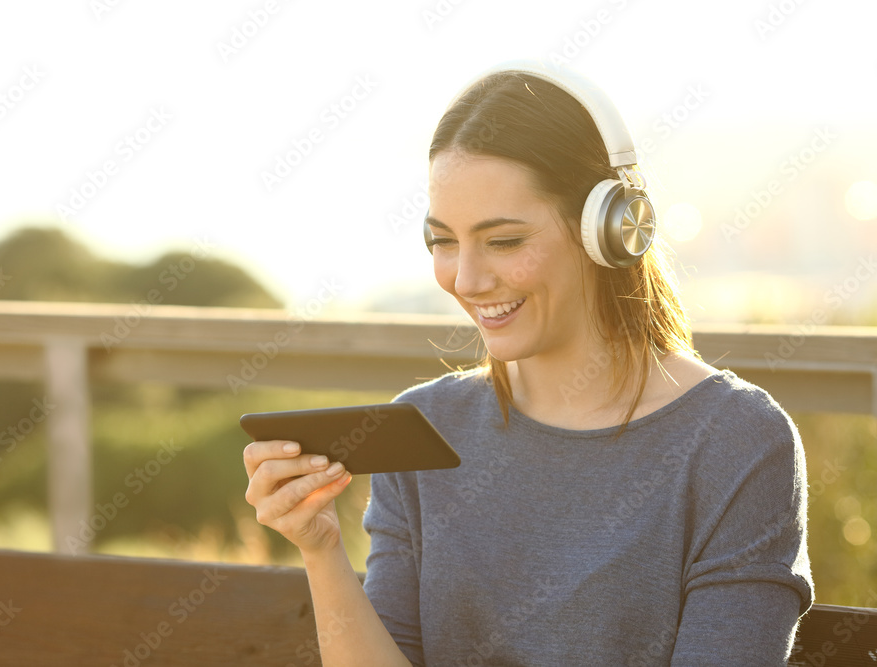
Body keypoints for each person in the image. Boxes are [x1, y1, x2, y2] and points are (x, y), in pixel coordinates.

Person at [243, 60, 813, 666]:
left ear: (610, 230)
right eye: (442, 240)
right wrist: (321, 550)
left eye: (504, 241)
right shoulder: (421, 429)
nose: (465, 278)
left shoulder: (736, 443)